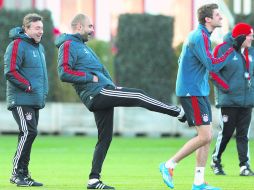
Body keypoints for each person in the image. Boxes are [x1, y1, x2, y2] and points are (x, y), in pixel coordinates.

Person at [55, 13, 186, 189]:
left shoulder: (83, 46)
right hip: (97, 93)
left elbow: (99, 71)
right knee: (139, 95)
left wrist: (111, 85)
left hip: (103, 91)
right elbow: (64, 73)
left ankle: (93, 180)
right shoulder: (68, 45)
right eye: (90, 27)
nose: (92, 30)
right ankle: (178, 112)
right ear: (79, 27)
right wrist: (90, 78)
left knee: (105, 138)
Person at [159, 3, 246, 190]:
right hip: (192, 92)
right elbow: (212, 65)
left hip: (199, 91)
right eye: (217, 14)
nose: (221, 17)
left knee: (207, 136)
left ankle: (198, 182)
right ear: (208, 19)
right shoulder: (200, 37)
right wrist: (231, 50)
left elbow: (182, 59)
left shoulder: (200, 36)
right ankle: (169, 165)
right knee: (205, 135)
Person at [4, 13, 48, 187]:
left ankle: (24, 174)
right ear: (26, 29)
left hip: (34, 99)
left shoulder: (39, 48)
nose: (40, 31)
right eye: (37, 28)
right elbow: (11, 71)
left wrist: (41, 93)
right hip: (21, 98)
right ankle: (16, 174)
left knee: (30, 134)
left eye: (42, 28)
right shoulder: (16, 45)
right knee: (28, 132)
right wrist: (28, 86)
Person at [210, 23, 254, 176]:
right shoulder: (223, 49)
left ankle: (244, 166)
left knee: (243, 134)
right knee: (226, 133)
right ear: (242, 36)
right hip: (229, 101)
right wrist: (227, 88)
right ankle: (215, 161)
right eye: (250, 35)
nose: (252, 38)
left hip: (247, 101)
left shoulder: (252, 52)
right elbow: (213, 72)